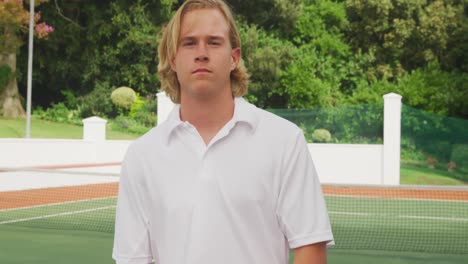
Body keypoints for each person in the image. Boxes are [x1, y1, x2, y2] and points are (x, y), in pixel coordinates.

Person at [112, 0, 334, 263]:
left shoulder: (284, 141)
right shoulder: (142, 156)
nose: (202, 53)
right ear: (173, 59)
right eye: (189, 43)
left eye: (214, 42)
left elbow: (311, 248)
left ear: (234, 58)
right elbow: (132, 259)